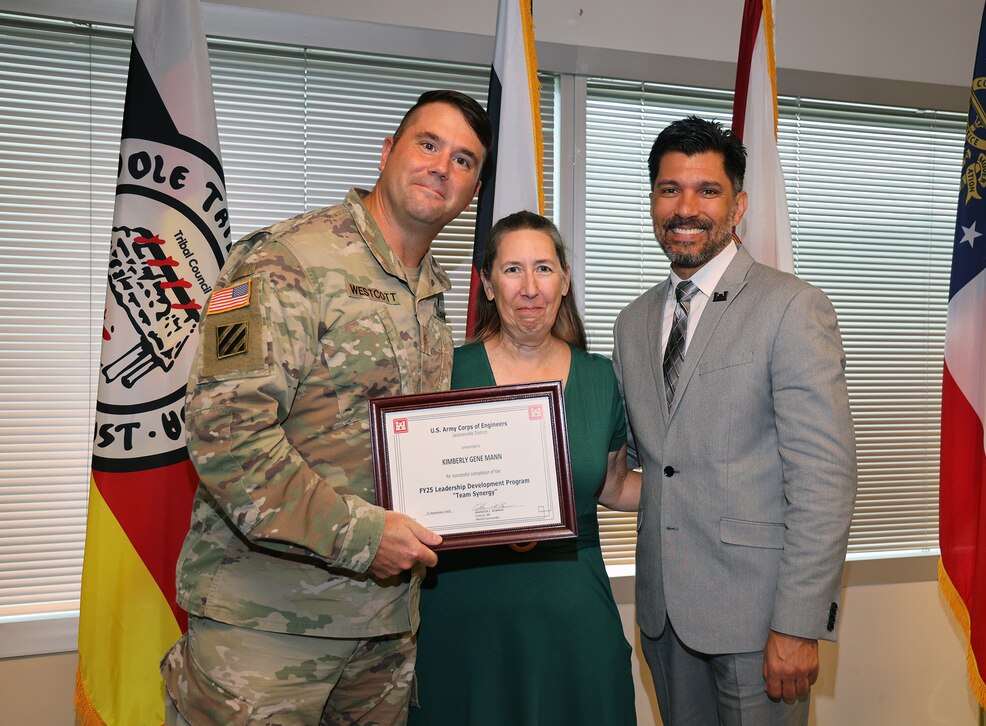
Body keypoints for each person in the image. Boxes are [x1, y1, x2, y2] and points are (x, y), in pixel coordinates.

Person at [160, 90, 492, 725]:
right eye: (428, 145)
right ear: (387, 151)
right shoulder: (281, 261)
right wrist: (367, 538)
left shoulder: (432, 294)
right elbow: (226, 436)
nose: (441, 167)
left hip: (383, 629)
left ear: (472, 190)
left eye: (464, 160)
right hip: (264, 632)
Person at [611, 116, 857, 726]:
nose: (686, 207)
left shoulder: (792, 308)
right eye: (669, 189)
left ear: (738, 203)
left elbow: (823, 482)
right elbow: (647, 468)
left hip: (760, 622)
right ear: (651, 200)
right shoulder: (632, 323)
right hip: (664, 615)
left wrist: (798, 624)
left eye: (707, 190)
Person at [409, 210, 640, 726]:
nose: (529, 287)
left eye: (543, 268)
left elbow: (616, 485)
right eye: (512, 270)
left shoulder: (601, 378)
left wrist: (706, 483)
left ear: (564, 280)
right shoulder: (443, 370)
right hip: (465, 613)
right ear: (487, 285)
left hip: (573, 614)